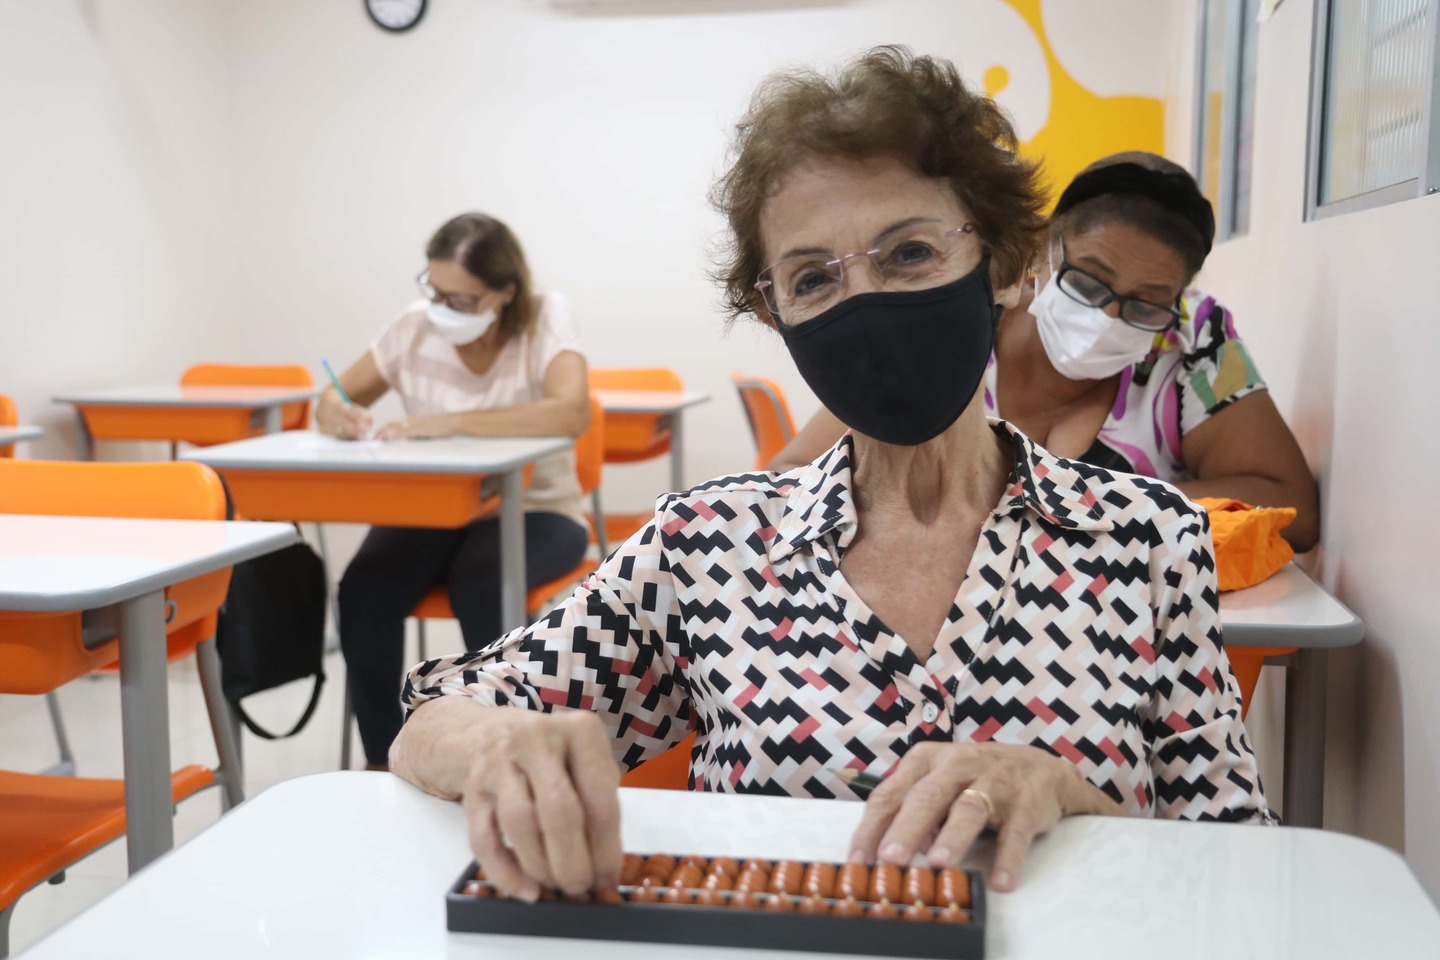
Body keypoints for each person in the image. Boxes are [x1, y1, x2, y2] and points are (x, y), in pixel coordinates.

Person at [391, 48, 1274, 903]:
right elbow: (447, 710)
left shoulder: (1147, 538)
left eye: (910, 254)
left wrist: (1067, 798)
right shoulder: (708, 549)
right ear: (777, 316)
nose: (866, 304)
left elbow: (1238, 857)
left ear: (1003, 265)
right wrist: (498, 745)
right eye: (813, 277)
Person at [770, 151, 1320, 552]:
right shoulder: (962, 324)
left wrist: (1078, 507)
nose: (1109, 317)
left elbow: (1288, 505)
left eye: (1145, 304)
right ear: (1041, 255)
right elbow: (793, 473)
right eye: (1089, 281)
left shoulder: (1192, 338)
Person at [315, 212, 591, 771]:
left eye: (461, 300)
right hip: (436, 512)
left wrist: (453, 422)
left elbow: (572, 409)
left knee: (482, 583)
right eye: (434, 291)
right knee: (363, 591)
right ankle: (386, 760)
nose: (442, 309)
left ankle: (496, 757)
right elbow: (332, 398)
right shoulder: (414, 326)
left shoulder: (543, 318)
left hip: (538, 509)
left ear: (504, 293)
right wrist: (336, 413)